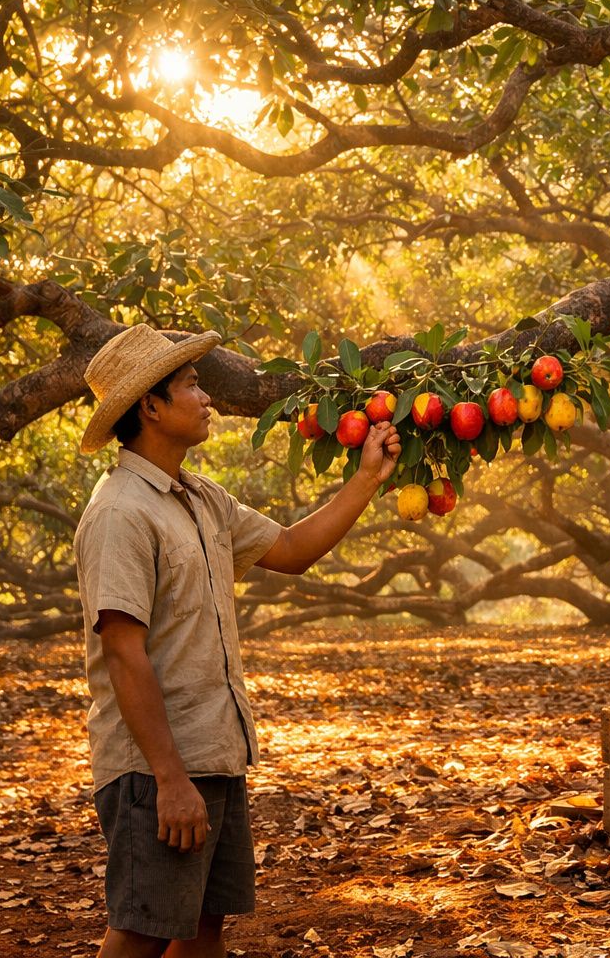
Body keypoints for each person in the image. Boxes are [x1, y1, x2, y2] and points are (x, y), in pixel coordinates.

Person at [74, 324, 399, 958]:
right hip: (155, 767)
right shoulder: (119, 512)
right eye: (192, 385)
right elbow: (122, 650)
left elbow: (290, 548)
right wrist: (169, 779)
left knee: (204, 924)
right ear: (151, 406)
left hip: (213, 750)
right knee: (142, 930)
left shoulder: (200, 499)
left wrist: (367, 478)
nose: (207, 398)